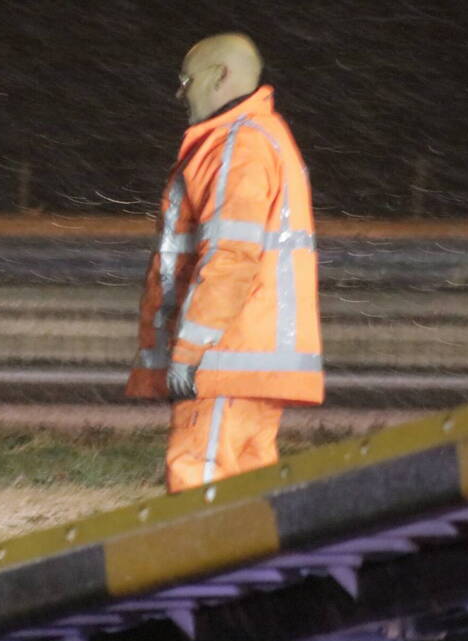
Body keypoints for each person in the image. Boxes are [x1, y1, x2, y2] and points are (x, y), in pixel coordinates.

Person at [126, 33, 324, 493]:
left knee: (202, 484)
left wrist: (190, 351)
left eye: (186, 79)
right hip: (252, 362)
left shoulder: (235, 145)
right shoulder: (265, 138)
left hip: (223, 362)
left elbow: (230, 256)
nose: (180, 93)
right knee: (249, 503)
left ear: (221, 76)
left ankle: (195, 565)